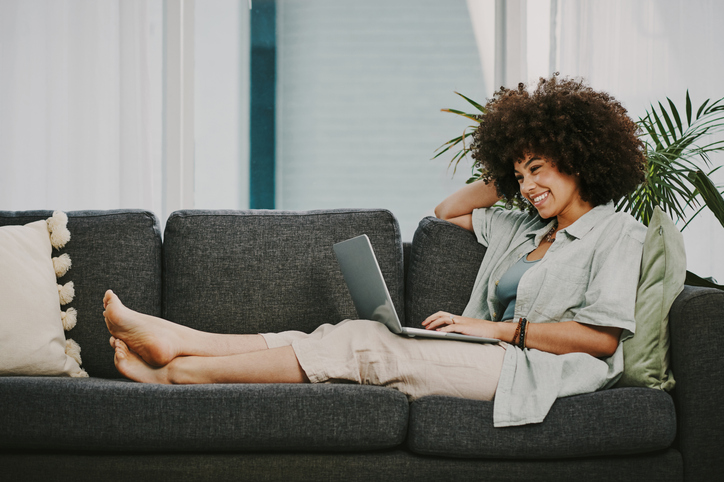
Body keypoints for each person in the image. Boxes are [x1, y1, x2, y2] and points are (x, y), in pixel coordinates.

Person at [104, 74, 647, 427]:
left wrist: (497, 329)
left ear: (577, 159)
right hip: (490, 356)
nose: (528, 186)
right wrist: (513, 175)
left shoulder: (616, 232)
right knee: (332, 336)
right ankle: (182, 340)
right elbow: (448, 211)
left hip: (532, 373)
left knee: (366, 346)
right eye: (520, 172)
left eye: (540, 169)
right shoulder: (521, 227)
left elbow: (600, 339)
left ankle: (180, 376)